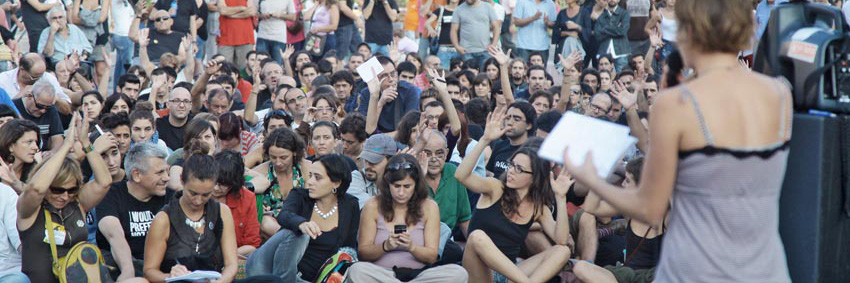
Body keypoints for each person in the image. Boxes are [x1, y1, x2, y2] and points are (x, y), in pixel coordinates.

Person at [563, 0, 793, 281]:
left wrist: (592, 178)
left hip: (695, 269)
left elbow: (650, 207)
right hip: (765, 269)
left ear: (688, 31)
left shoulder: (678, 103)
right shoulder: (779, 95)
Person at [455, 108, 571, 283]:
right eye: (512, 165)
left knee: (563, 251)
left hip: (509, 273)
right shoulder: (496, 188)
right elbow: (461, 176)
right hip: (479, 271)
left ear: (534, 177)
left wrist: (561, 198)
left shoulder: (538, 207)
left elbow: (561, 240)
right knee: (477, 237)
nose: (511, 172)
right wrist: (485, 140)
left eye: (519, 169)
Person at [16, 114, 124, 283]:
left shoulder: (76, 203)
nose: (65, 196)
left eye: (71, 189)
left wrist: (87, 144)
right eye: (58, 189)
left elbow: (104, 182)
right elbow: (35, 188)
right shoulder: (30, 209)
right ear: (48, 186)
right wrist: (65, 147)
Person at [142, 154, 282, 283]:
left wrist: (222, 281)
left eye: (205, 195)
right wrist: (170, 276)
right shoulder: (164, 219)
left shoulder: (222, 211)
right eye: (193, 193)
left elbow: (231, 264)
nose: (198, 201)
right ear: (182, 181)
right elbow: (149, 270)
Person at [348, 153, 469, 282]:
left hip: (420, 276)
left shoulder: (429, 207)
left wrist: (412, 247)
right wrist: (385, 246)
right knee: (357, 270)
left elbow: (431, 256)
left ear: (416, 185)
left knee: (458, 273)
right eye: (396, 186)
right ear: (388, 185)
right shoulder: (372, 205)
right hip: (383, 275)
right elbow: (363, 253)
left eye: (407, 186)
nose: (401, 193)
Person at [246, 154, 360, 282]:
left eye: (317, 178)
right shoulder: (300, 195)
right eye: (310, 175)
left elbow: (349, 247)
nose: (310, 182)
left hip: (309, 279)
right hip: (266, 268)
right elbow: (284, 215)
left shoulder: (350, 205)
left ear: (336, 183)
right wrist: (301, 224)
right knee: (297, 232)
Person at [96, 142, 172, 280]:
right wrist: (127, 271)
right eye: (160, 172)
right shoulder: (111, 194)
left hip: (159, 268)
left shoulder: (170, 197)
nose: (167, 178)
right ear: (136, 175)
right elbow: (114, 235)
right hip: (120, 266)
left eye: (167, 171)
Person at [249, 127, 310, 237]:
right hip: (270, 229)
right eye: (273, 157)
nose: (278, 163)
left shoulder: (307, 169)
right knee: (265, 222)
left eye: (283, 157)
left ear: (295, 152)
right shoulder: (260, 172)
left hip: (301, 221)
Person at [213, 150, 261, 259]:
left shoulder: (247, 199)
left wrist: (228, 256)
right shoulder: (200, 193)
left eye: (223, 185)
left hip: (233, 256)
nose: (216, 188)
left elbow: (252, 244)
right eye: (214, 182)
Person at [359, 56, 420, 133]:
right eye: (384, 76)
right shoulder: (366, 93)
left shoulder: (408, 90)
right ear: (375, 79)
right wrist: (380, 103)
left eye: (393, 74)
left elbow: (409, 128)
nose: (391, 79)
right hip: (372, 139)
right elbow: (366, 130)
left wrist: (383, 138)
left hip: (400, 139)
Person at [13, 78, 65, 155]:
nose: (43, 111)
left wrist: (53, 152)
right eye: (39, 106)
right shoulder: (14, 107)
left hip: (43, 155)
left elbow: (57, 137)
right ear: (30, 96)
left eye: (47, 107)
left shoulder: (51, 110)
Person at [349, 134, 400, 207]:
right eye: (366, 160)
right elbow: (371, 208)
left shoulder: (399, 180)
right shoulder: (354, 177)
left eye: (374, 161)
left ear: (390, 161)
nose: (368, 165)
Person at [451, 0, 500, 65]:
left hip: (485, 51)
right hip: (466, 52)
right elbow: (453, 30)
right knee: (469, 74)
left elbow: (496, 27)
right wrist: (457, 46)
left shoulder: (488, 7)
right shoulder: (459, 9)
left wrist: (493, 45)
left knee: (485, 75)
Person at [0, 119, 40, 193]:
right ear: (10, 146)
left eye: (36, 142)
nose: (35, 147)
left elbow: (38, 196)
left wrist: (15, 183)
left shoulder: (35, 169)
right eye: (29, 142)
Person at [512, 0, 556, 65]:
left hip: (542, 46)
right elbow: (516, 22)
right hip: (524, 46)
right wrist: (533, 18)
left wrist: (547, 23)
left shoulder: (550, 3)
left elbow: (554, 24)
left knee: (541, 73)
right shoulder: (522, 2)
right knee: (523, 72)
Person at [217, 0, 257, 69]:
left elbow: (252, 12)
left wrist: (231, 14)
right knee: (224, 68)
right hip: (226, 38)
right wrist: (241, 8)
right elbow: (223, 11)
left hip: (245, 37)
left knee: (244, 69)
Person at [594, 0, 631, 72]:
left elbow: (623, 31)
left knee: (621, 77)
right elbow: (597, 35)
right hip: (604, 51)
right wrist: (616, 28)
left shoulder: (624, 13)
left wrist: (604, 28)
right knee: (604, 77)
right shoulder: (602, 15)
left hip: (621, 51)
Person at [256, 0, 296, 65]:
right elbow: (254, 12)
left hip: (279, 37)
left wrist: (279, 15)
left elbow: (293, 17)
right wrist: (262, 16)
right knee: (260, 63)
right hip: (262, 35)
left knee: (278, 64)